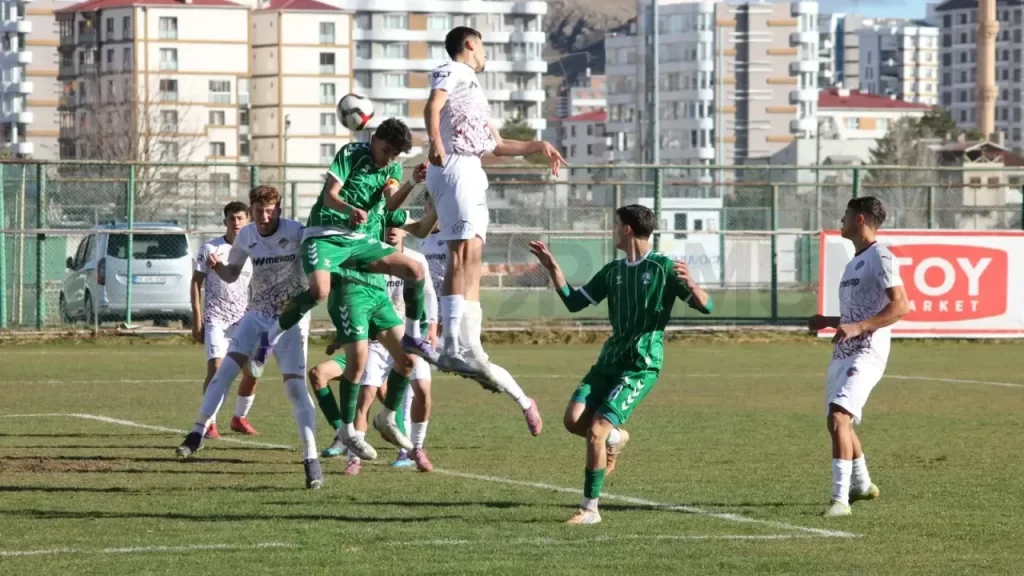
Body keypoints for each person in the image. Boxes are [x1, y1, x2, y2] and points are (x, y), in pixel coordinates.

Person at [529, 204, 713, 525]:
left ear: (627, 229)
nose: (613, 231)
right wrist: (552, 267)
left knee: (596, 430)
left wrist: (695, 287)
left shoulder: (664, 268)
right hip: (610, 359)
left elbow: (706, 306)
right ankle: (616, 439)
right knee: (574, 421)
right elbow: (575, 302)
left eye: (616, 225)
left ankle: (590, 509)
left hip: (641, 365)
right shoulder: (612, 271)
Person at [425, 26, 564, 432]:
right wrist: (436, 142)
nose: (485, 53)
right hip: (457, 168)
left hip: (471, 168)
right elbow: (432, 107)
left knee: (474, 253)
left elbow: (495, 144)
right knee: (461, 252)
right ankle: (451, 343)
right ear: (469, 44)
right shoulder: (455, 70)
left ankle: (467, 341)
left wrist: (538, 146)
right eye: (483, 45)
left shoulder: (473, 90)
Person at [250, 119, 437, 384]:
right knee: (319, 291)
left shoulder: (392, 167)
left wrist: (412, 182)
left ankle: (412, 336)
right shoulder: (351, 153)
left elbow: (392, 202)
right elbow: (330, 196)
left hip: (357, 240)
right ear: (374, 140)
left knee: (414, 270)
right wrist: (350, 210)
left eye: (395, 154)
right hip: (324, 234)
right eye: (386, 150)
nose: (389, 158)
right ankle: (269, 338)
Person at [175, 186, 323, 490]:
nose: (265, 216)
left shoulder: (297, 232)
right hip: (256, 315)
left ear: (279, 210)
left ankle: (311, 458)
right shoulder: (247, 236)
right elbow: (232, 274)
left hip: (291, 320)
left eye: (270, 211)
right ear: (252, 211)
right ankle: (197, 431)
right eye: (259, 210)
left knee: (295, 388)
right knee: (223, 372)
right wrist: (219, 268)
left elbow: (318, 268)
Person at [808, 197, 908, 517]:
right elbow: (855, 314)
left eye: (846, 215)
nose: (841, 219)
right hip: (843, 352)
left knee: (840, 416)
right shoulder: (854, 262)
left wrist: (860, 328)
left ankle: (839, 501)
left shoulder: (882, 254)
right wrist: (828, 321)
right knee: (837, 422)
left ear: (860, 219)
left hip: (867, 352)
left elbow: (901, 306)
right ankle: (862, 485)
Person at [190, 201, 259, 438]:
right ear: (225, 222)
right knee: (217, 369)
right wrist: (197, 318)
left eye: (241, 218)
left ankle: (239, 418)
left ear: (248, 221)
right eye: (232, 218)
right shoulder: (211, 248)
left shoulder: (255, 249)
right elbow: (196, 283)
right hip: (216, 319)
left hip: (243, 320)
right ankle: (209, 422)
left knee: (253, 371)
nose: (236, 223)